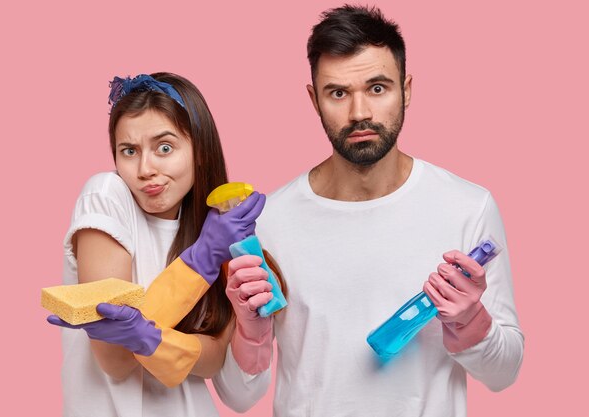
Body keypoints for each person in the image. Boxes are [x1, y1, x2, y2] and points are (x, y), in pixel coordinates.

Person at [220, 5, 524, 416]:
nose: (359, 112)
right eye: (338, 92)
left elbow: (504, 375)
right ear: (314, 99)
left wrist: (472, 321)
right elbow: (239, 398)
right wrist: (250, 332)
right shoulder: (268, 221)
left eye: (377, 88)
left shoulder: (468, 207)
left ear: (407, 89)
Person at [48, 72, 266, 416]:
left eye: (164, 148)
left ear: (200, 152)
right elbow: (115, 361)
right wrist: (200, 261)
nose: (145, 168)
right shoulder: (106, 196)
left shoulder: (214, 232)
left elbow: (211, 362)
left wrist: (149, 336)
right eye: (128, 150)